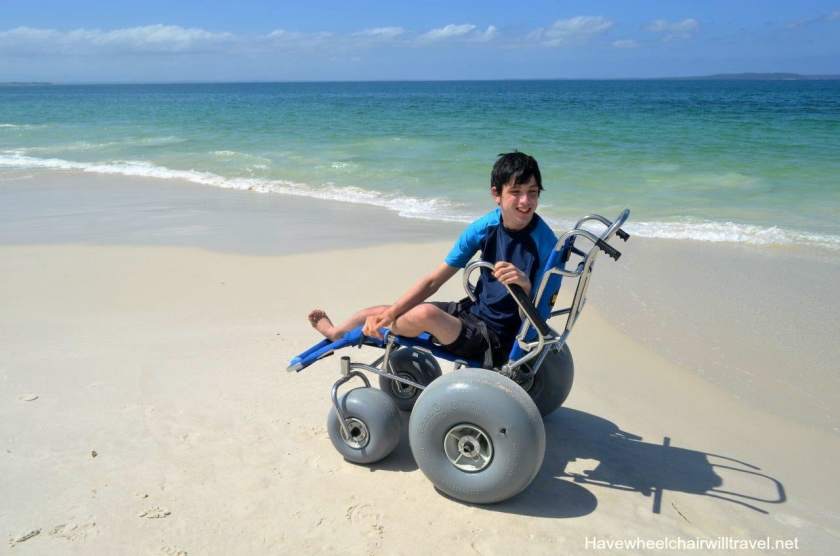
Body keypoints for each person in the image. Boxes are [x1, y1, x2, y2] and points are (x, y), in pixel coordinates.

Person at [308, 151, 558, 368]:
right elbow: (432, 282)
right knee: (381, 310)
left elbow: (537, 326)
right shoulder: (486, 227)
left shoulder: (546, 245)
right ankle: (337, 332)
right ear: (497, 194)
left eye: (532, 192)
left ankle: (381, 327)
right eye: (516, 192)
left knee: (423, 313)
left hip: (497, 341)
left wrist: (524, 288)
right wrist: (393, 313)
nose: (526, 202)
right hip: (472, 314)